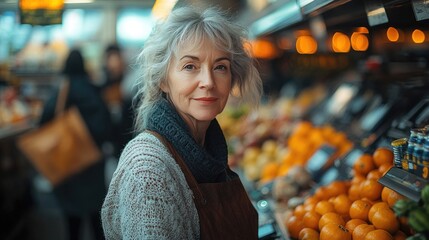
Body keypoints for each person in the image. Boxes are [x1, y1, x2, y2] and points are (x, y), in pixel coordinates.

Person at [101, 6, 263, 239]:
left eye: (220, 67)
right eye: (190, 66)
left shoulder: (210, 152)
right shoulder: (147, 171)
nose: (208, 81)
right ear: (163, 81)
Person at [39, 48, 113, 240]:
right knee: (96, 219)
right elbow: (107, 126)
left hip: (68, 163)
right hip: (92, 164)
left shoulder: (62, 93)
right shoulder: (93, 91)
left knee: (72, 221)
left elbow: (43, 123)